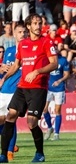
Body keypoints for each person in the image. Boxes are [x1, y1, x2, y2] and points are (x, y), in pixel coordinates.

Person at [0, 13, 58, 163]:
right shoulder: (23, 44)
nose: (38, 26)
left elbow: (54, 64)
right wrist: (4, 78)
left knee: (31, 122)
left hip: (38, 87)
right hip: (22, 87)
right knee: (10, 116)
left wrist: (37, 71)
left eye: (40, 23)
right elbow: (16, 65)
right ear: (28, 26)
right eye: (35, 23)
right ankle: (3, 154)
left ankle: (40, 153)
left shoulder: (46, 42)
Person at [0, 24, 25, 161]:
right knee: (4, 121)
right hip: (4, 90)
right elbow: (5, 68)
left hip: (17, 90)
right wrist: (3, 69)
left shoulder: (27, 51)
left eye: (24, 32)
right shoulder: (9, 50)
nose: (22, 34)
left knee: (11, 120)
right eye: (19, 32)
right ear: (14, 34)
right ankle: (10, 144)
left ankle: (9, 151)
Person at [43, 44, 70, 141]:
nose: (54, 50)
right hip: (48, 87)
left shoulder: (63, 60)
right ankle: (50, 127)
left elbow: (67, 74)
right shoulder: (46, 60)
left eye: (55, 48)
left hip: (59, 88)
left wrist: (60, 80)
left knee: (57, 110)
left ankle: (56, 133)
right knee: (44, 109)